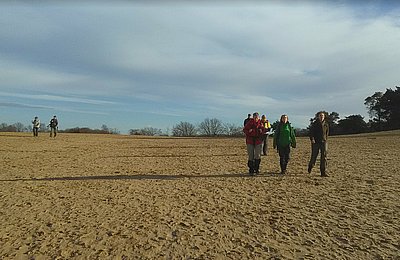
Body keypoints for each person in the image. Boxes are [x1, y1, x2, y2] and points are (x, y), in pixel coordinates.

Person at [308, 111, 329, 177]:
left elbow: (327, 133)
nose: (321, 117)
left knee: (324, 157)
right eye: (320, 115)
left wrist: (325, 139)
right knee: (314, 156)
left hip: (324, 142)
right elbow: (311, 132)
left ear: (324, 117)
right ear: (318, 117)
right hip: (316, 143)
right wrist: (312, 139)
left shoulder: (326, 124)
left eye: (322, 115)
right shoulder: (314, 124)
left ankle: (323, 172)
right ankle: (310, 166)